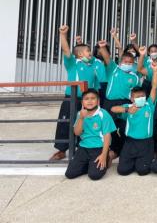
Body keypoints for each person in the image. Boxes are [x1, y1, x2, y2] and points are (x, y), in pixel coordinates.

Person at [50, 25, 97, 161]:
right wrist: (63, 35)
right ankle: (61, 149)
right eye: (88, 51)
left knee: (84, 122)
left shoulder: (92, 66)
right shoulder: (73, 63)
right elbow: (66, 50)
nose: (90, 53)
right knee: (65, 122)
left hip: (87, 100)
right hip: (71, 98)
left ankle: (80, 147)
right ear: (80, 54)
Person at [96, 39, 141, 163]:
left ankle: (126, 150)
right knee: (108, 127)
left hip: (125, 103)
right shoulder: (114, 69)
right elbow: (107, 58)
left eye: (130, 62)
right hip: (110, 103)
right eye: (125, 61)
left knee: (124, 127)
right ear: (121, 62)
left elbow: (135, 94)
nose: (128, 63)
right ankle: (111, 150)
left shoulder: (135, 77)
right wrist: (103, 47)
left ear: (133, 63)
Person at [111, 62, 157, 176]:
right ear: (131, 98)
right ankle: (134, 160)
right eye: (137, 97)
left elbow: (155, 87)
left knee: (142, 171)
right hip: (130, 142)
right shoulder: (129, 107)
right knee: (123, 171)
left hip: (146, 143)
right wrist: (126, 110)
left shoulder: (149, 105)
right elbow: (113, 109)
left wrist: (155, 71)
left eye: (142, 96)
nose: (140, 98)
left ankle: (145, 159)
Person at [65, 89, 116, 180]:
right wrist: (81, 118)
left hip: (99, 147)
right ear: (82, 102)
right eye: (86, 99)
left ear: (98, 101)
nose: (89, 101)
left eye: (93, 98)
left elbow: (107, 136)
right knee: (70, 174)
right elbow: (77, 132)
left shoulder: (103, 114)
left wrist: (103, 155)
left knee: (94, 175)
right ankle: (91, 164)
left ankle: (108, 156)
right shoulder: (80, 114)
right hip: (84, 148)